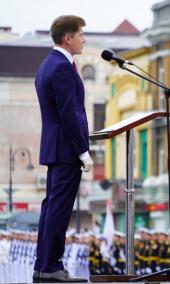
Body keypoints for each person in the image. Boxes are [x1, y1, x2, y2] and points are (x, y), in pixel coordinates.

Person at [33, 15, 93, 283]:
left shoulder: (49, 64)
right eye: (81, 34)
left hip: (55, 148)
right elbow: (69, 113)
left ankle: (43, 264)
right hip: (66, 149)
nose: (84, 39)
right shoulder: (61, 67)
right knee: (58, 209)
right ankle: (52, 266)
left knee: (51, 208)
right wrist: (82, 149)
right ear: (67, 38)